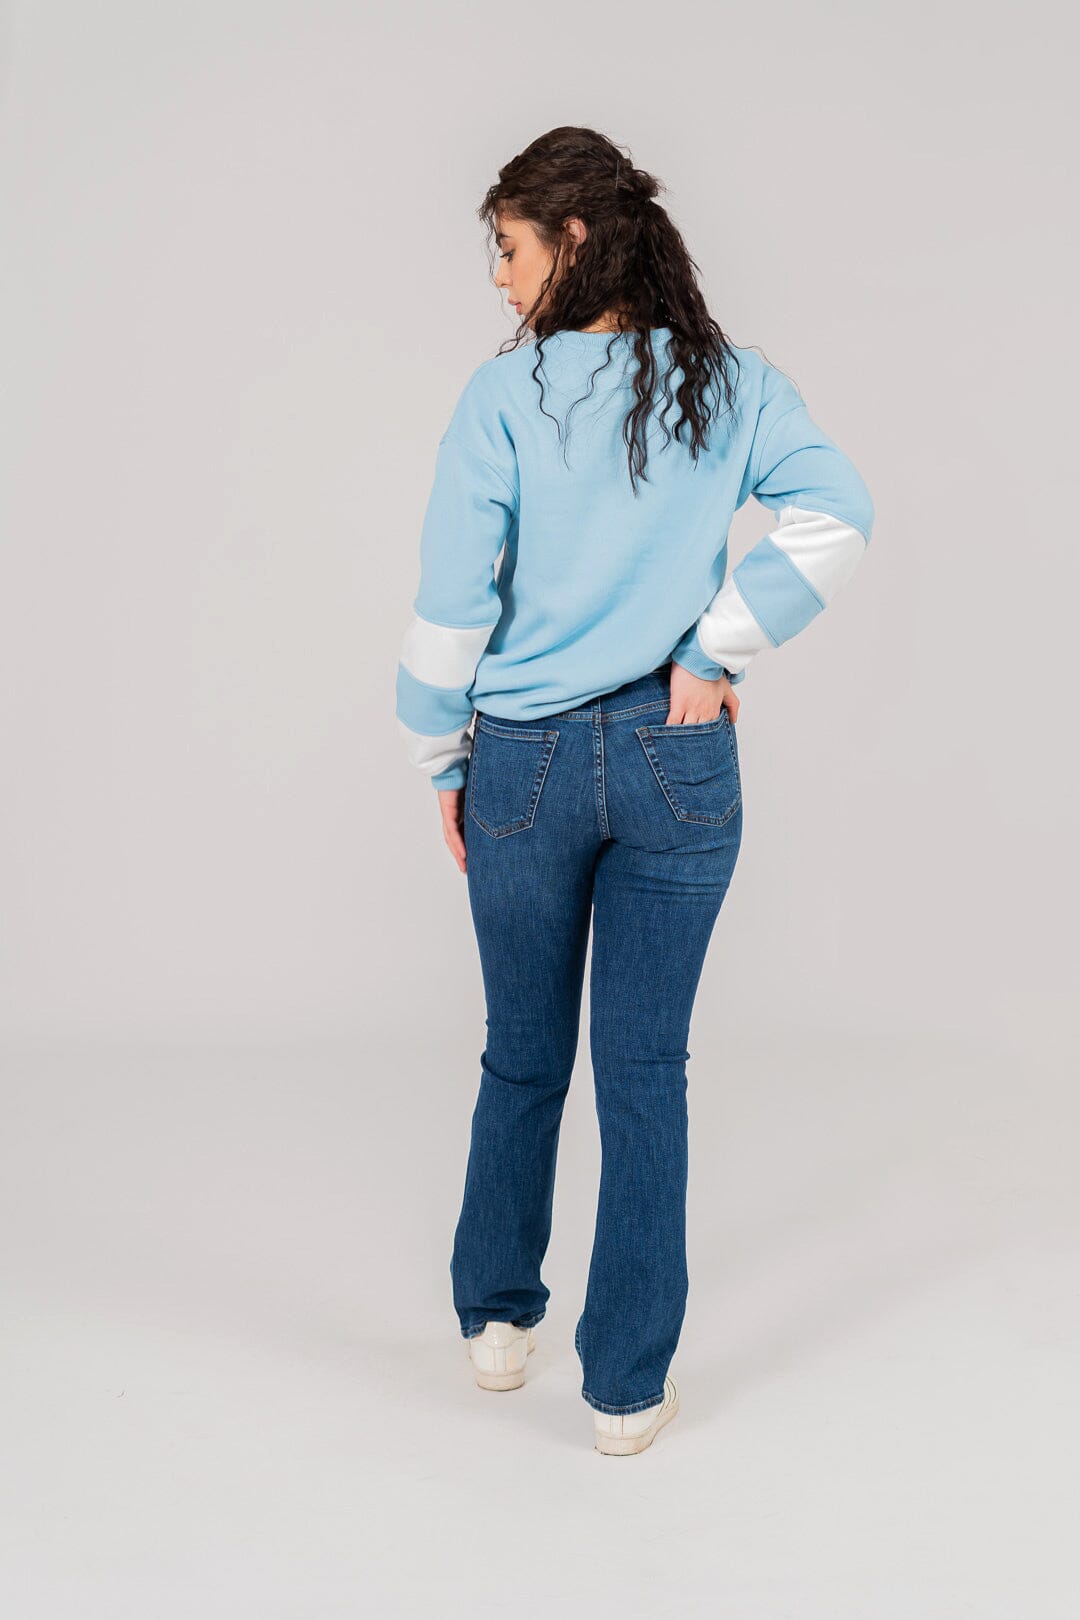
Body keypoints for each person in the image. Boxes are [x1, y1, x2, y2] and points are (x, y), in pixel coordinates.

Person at [394, 126, 875, 1456]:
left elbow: (451, 602)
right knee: (646, 1069)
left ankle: (498, 1322)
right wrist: (717, 652)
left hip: (523, 761)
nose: (498, 278)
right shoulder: (731, 382)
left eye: (507, 249)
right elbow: (837, 514)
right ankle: (625, 1388)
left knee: (522, 1052)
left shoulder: (504, 397)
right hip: (679, 756)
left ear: (574, 237)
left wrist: (440, 754)